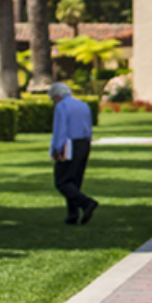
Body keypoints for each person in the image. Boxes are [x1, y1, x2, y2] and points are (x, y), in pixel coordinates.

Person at [49, 83, 98, 225]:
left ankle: (86, 203)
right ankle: (72, 215)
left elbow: (60, 129)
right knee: (75, 180)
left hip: (69, 144)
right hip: (84, 143)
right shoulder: (83, 105)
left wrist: (57, 149)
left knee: (62, 181)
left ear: (57, 96)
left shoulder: (61, 107)